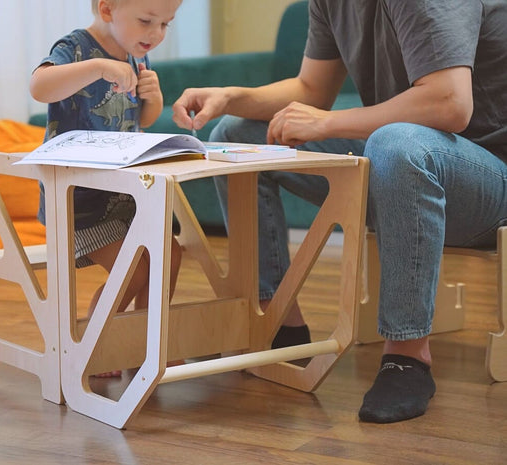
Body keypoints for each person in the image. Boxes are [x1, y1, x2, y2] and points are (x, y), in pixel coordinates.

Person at [172, 0, 507, 422]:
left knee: (396, 143)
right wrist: (232, 97)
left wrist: (329, 124)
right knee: (239, 133)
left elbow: (450, 104)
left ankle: (408, 356)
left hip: (490, 177)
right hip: (404, 159)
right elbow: (312, 90)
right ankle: (275, 324)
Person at [30, 0, 184, 376]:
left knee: (170, 255)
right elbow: (39, 87)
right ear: (107, 9)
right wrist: (99, 67)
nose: (156, 33)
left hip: (123, 196)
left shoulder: (134, 55)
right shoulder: (77, 48)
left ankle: (148, 342)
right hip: (78, 200)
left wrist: (154, 97)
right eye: (147, 20)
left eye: (166, 24)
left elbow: (142, 120)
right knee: (133, 270)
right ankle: (96, 345)